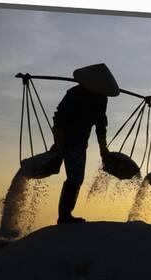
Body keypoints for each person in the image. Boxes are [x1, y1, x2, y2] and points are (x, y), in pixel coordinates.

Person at [51, 63, 119, 224]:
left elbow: (101, 124)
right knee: (75, 177)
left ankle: (65, 214)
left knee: (76, 177)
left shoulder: (101, 98)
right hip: (68, 138)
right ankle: (64, 216)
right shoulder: (75, 94)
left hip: (81, 140)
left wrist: (103, 148)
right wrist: (59, 141)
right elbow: (59, 118)